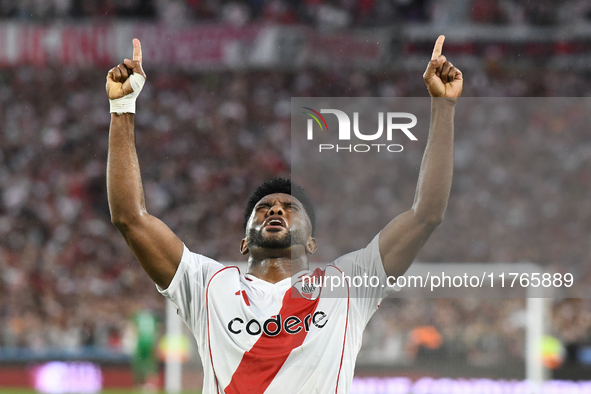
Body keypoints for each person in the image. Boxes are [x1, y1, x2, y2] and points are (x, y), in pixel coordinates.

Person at [105, 35, 462, 393]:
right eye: (263, 208)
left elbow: (426, 214)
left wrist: (443, 108)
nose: (276, 208)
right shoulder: (207, 285)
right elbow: (130, 218)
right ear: (244, 242)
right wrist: (122, 108)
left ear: (311, 241)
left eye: (290, 208)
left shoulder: (349, 283)